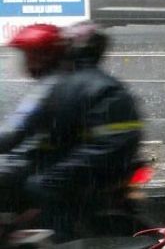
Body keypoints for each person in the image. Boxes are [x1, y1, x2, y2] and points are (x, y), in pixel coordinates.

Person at [0, 23, 145, 241]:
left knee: (38, 185)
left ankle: (59, 239)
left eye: (29, 56)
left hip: (96, 162)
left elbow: (17, 130)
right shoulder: (99, 82)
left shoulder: (62, 85)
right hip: (109, 161)